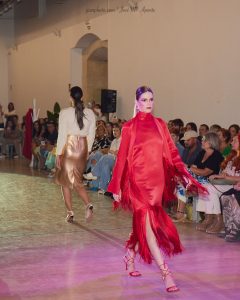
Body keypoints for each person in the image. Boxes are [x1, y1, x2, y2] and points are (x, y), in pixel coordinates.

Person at [107, 86, 206, 293]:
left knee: (142, 224)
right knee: (149, 226)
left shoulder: (160, 124)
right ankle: (166, 274)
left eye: (151, 99)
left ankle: (130, 258)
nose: (149, 103)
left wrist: (184, 176)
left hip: (156, 182)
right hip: (138, 183)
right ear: (137, 102)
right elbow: (122, 159)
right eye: (144, 99)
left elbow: (171, 152)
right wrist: (116, 185)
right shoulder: (129, 127)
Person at [55, 86, 96, 222]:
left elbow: (62, 135)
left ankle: (70, 212)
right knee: (77, 180)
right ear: (82, 97)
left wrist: (58, 154)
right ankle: (88, 204)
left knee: (65, 182)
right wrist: (88, 150)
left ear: (70, 98)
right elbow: (92, 134)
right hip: (83, 146)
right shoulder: (90, 113)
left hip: (69, 146)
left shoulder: (64, 112)